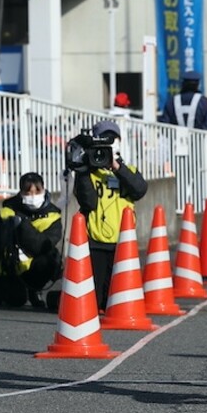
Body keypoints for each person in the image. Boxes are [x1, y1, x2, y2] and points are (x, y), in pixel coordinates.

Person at [73, 120, 148, 311]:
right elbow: (88, 202)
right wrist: (82, 171)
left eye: (112, 139)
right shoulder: (89, 173)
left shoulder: (127, 170)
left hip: (123, 243)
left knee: (116, 300)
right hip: (96, 240)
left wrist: (116, 166)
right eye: (104, 139)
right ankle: (61, 299)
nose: (108, 143)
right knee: (95, 301)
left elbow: (139, 190)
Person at [0, 172, 63, 308]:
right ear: (21, 193)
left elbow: (42, 246)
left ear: (44, 190)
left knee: (51, 259)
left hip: (35, 268)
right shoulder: (6, 213)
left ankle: (35, 289)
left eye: (37, 191)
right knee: (15, 301)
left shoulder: (54, 216)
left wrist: (21, 225)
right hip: (11, 268)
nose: (33, 196)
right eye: (27, 192)